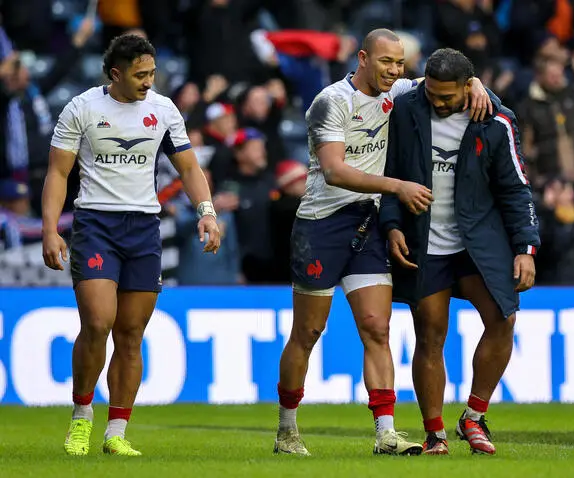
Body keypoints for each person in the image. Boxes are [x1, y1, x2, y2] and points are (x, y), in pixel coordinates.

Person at [275, 28, 492, 456]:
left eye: (399, 63)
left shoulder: (403, 90)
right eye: (386, 62)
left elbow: (448, 79)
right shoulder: (331, 102)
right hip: (321, 225)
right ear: (362, 58)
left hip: (369, 225)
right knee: (308, 331)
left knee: (377, 328)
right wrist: (397, 186)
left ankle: (385, 432)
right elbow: (334, 170)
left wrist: (477, 83)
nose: (395, 70)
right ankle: (287, 429)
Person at [42, 34, 221, 457]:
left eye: (152, 73)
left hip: (143, 228)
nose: (148, 82)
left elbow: (189, 166)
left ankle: (116, 432)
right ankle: (82, 419)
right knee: (99, 322)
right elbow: (57, 173)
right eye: (140, 75)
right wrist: (51, 229)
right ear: (116, 73)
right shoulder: (82, 108)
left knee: (130, 333)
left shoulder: (163, 109)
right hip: (96, 225)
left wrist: (207, 211)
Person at [379, 48, 539, 455]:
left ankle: (474, 417)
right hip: (424, 242)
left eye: (447, 96)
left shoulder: (496, 120)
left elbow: (515, 188)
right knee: (430, 335)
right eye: (432, 93)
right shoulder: (405, 109)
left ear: (469, 87)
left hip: (478, 241)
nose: (438, 102)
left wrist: (525, 248)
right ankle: (435, 434)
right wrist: (393, 224)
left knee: (503, 319)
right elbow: (390, 170)